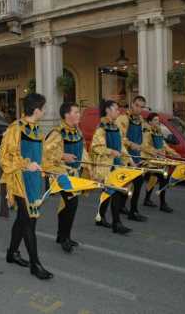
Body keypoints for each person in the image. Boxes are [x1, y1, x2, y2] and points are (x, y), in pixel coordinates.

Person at [0, 93, 53, 280]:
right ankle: (35, 264)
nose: (45, 111)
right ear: (36, 109)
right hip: (19, 181)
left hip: (35, 182)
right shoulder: (15, 128)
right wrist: (25, 164)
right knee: (29, 222)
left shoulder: (38, 129)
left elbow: (43, 157)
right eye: (44, 108)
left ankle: (12, 253)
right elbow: (4, 158)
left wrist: (54, 169)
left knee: (24, 220)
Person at [43, 102, 92, 253]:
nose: (79, 115)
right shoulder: (57, 133)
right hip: (61, 174)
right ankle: (64, 238)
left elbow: (82, 149)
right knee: (71, 204)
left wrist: (90, 167)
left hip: (75, 174)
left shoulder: (77, 131)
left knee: (68, 205)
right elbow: (45, 152)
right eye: (76, 112)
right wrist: (63, 156)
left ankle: (63, 236)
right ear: (66, 115)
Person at [91, 100, 134, 235]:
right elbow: (96, 147)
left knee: (109, 193)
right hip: (106, 166)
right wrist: (110, 151)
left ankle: (100, 217)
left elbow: (121, 146)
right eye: (116, 109)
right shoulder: (101, 128)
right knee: (115, 192)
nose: (118, 111)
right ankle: (117, 223)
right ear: (107, 111)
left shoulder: (115, 127)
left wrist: (130, 160)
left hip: (117, 164)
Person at [116, 96, 148, 222]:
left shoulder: (141, 120)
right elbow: (120, 138)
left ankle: (123, 207)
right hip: (125, 158)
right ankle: (132, 212)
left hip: (137, 158)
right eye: (137, 106)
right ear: (132, 104)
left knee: (134, 184)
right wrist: (131, 144)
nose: (139, 109)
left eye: (142, 107)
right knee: (128, 183)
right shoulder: (123, 119)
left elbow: (144, 138)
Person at [142, 112, 180, 213]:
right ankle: (163, 204)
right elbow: (145, 146)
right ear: (149, 122)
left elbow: (164, 145)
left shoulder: (158, 131)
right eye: (155, 120)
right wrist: (156, 151)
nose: (157, 122)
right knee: (164, 179)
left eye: (158, 120)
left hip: (159, 160)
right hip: (150, 161)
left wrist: (173, 153)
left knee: (153, 179)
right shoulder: (146, 131)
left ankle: (146, 199)